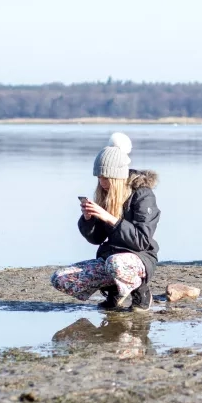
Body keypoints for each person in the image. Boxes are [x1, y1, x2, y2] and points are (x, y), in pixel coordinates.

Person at [50, 132, 160, 311]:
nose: (101, 182)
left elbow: (141, 240)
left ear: (117, 177)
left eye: (105, 178)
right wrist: (88, 220)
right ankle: (115, 291)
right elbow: (96, 239)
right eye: (99, 177)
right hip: (110, 259)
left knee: (115, 263)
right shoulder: (105, 195)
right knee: (60, 278)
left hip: (140, 259)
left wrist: (110, 218)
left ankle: (141, 292)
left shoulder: (143, 195)